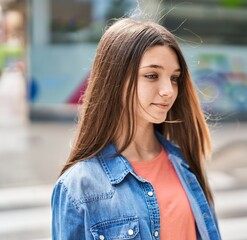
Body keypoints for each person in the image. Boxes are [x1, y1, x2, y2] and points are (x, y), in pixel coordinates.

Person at [51, 18, 221, 240]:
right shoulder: (78, 187)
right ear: (115, 81)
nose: (168, 90)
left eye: (174, 78)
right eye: (152, 75)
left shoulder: (185, 161)